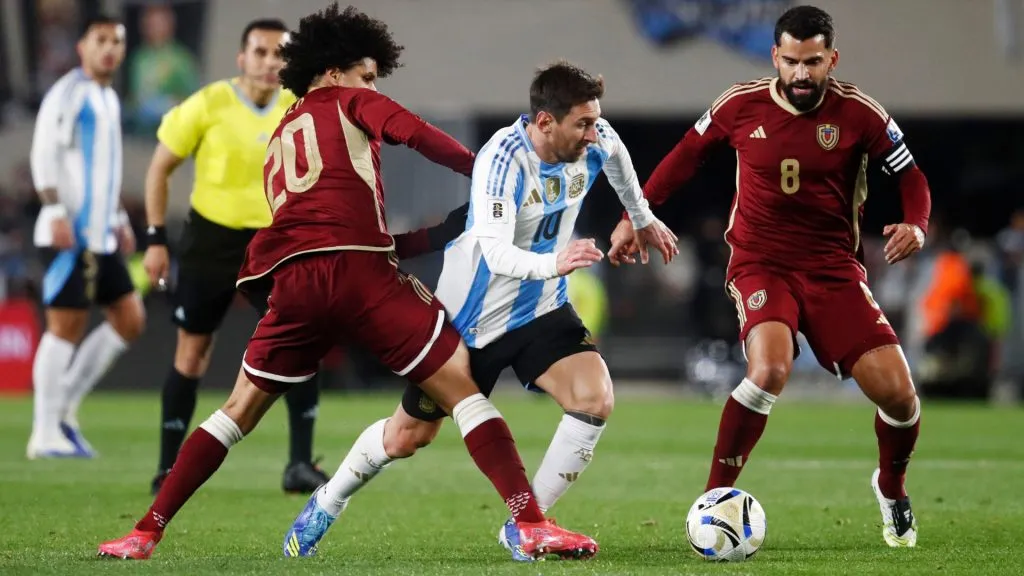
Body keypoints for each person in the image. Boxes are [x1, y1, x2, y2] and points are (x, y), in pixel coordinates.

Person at [97, 3, 597, 561]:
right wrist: (482, 169)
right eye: (367, 75)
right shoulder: (351, 101)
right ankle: (529, 523)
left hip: (297, 285)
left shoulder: (280, 139)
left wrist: (433, 236)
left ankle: (146, 531)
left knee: (235, 412)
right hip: (361, 275)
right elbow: (415, 135)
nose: (372, 85)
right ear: (334, 73)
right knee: (462, 389)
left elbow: (328, 231)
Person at [281, 61, 678, 561]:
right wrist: (556, 261)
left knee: (594, 397)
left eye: (595, 120)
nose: (593, 132)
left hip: (540, 309)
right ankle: (327, 500)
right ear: (544, 122)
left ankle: (528, 526)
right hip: (470, 318)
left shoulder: (596, 139)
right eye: (582, 123)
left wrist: (640, 218)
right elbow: (495, 253)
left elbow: (618, 161)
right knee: (408, 436)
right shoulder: (502, 159)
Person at [608, 5, 930, 549]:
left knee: (900, 400)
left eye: (812, 62)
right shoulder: (739, 104)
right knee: (770, 368)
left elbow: (913, 177)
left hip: (833, 271)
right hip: (760, 262)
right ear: (774, 56)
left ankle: (891, 488)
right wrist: (635, 217)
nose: (801, 74)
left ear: (832, 58)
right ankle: (711, 504)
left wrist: (917, 226)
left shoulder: (861, 114)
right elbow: (684, 158)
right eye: (791, 61)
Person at [142, 18, 331, 495]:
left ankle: (300, 464)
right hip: (212, 239)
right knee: (193, 351)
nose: (271, 63)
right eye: (261, 52)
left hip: (275, 242)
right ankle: (167, 468)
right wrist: (156, 238)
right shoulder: (208, 103)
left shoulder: (300, 107)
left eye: (279, 54)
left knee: (300, 342)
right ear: (241, 58)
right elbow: (160, 169)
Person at [27, 15, 144, 459]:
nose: (109, 48)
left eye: (116, 41)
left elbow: (106, 168)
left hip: (101, 235)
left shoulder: (109, 98)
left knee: (130, 319)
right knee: (65, 327)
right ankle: (43, 433)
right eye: (101, 40)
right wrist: (55, 210)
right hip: (67, 234)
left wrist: (119, 218)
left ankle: (64, 413)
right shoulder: (69, 92)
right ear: (82, 47)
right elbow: (44, 152)